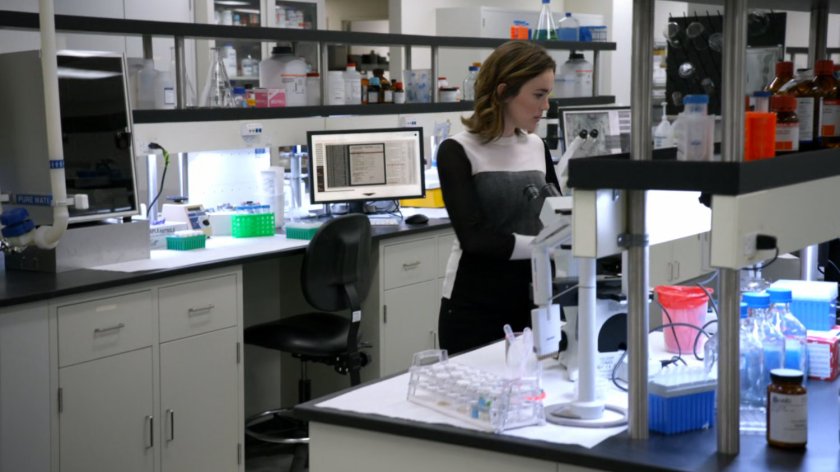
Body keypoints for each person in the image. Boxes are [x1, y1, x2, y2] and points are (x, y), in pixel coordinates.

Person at [437, 41, 560, 355]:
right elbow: (475, 239)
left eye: (548, 94)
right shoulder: (458, 150)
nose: (546, 106)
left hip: (535, 299)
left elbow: (558, 219)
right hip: (476, 306)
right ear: (504, 91)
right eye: (538, 94)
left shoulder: (536, 147)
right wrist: (544, 245)